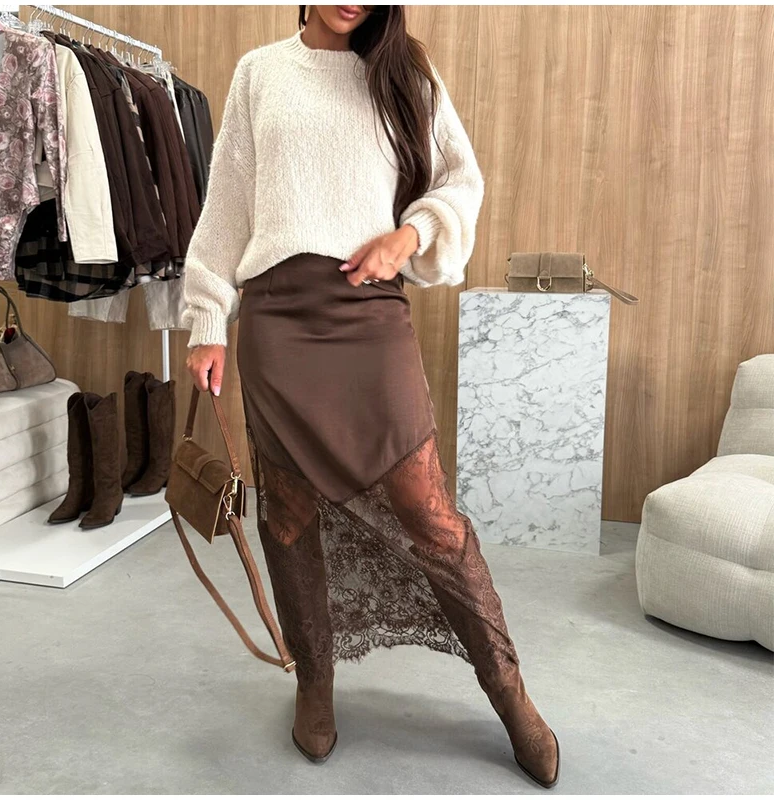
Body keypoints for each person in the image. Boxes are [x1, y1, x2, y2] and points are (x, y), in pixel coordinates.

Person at [182, 4, 560, 789]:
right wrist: (207, 320)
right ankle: (314, 685)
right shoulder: (261, 73)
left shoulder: (405, 72)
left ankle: (509, 692)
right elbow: (227, 206)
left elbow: (460, 179)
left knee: (430, 515)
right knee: (288, 516)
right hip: (279, 321)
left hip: (369, 315)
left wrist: (409, 235)